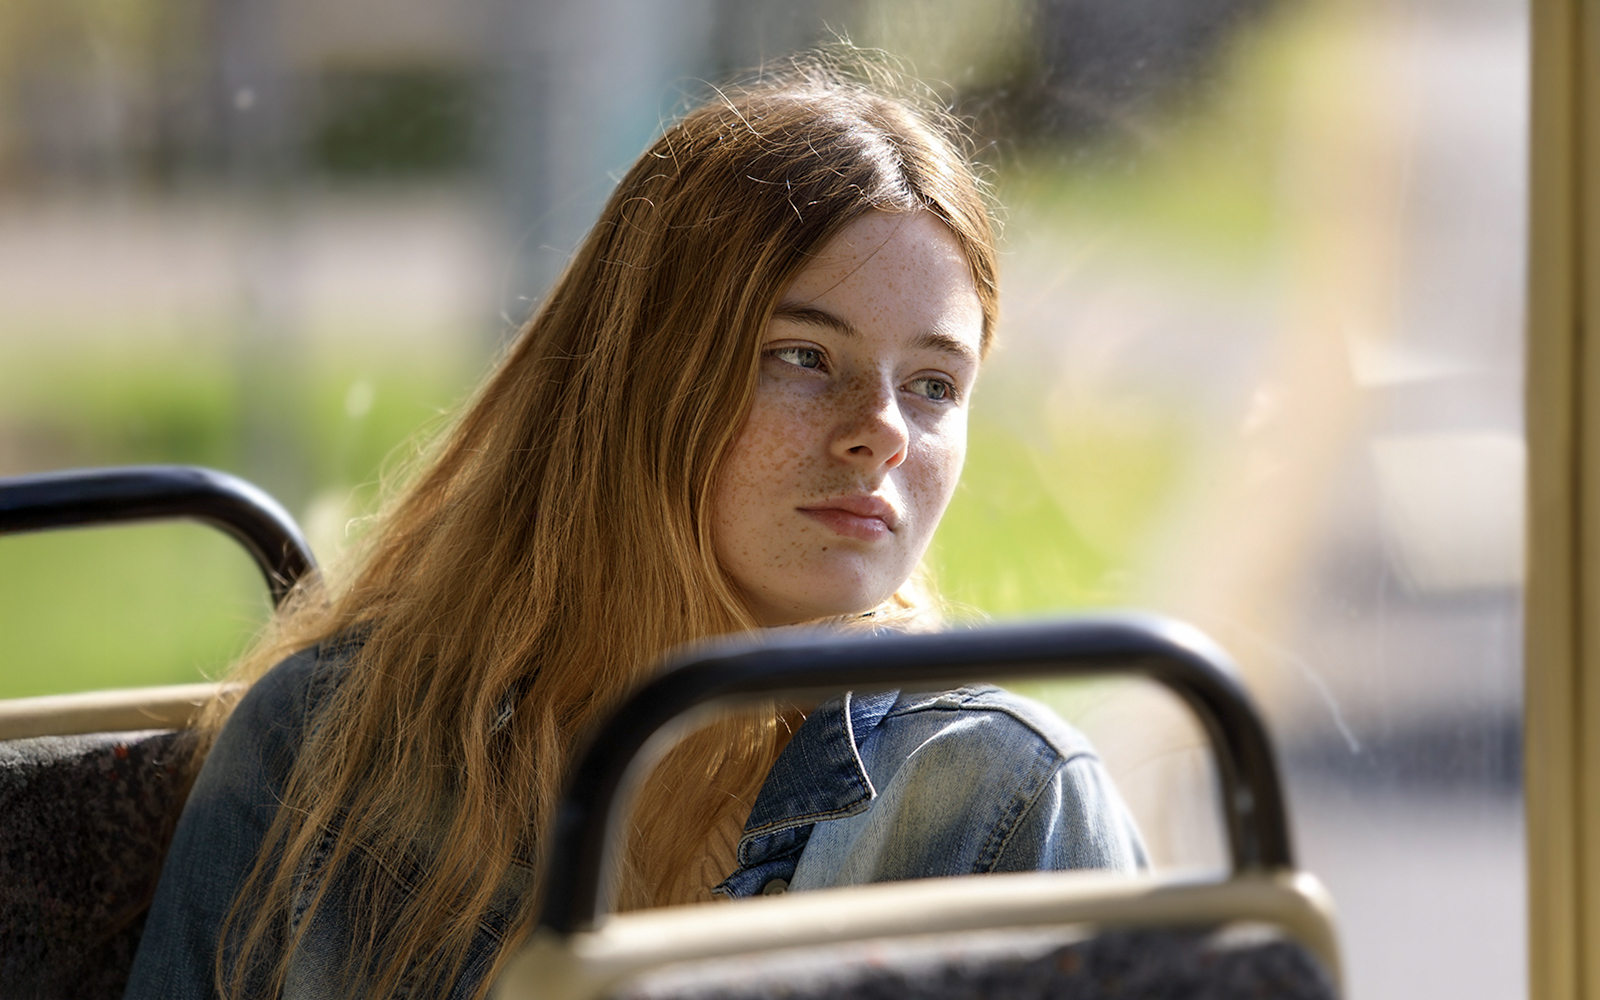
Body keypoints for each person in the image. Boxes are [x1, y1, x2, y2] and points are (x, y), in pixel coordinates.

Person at [123, 55, 1147, 1000]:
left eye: (933, 384)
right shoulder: (329, 745)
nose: (879, 431)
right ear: (641, 371)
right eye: (801, 355)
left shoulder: (1004, 801)